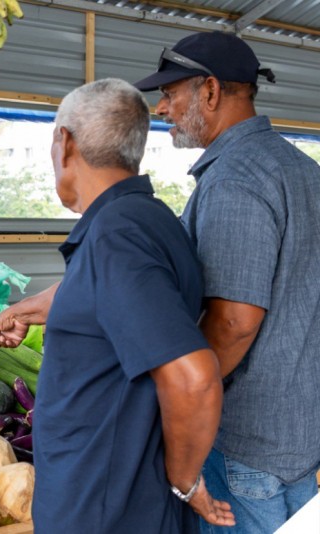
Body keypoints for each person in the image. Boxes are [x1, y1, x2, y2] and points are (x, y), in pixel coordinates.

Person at [0, 79, 234, 532]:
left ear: (65, 143)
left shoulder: (118, 237)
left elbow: (193, 378)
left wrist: (185, 480)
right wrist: (35, 307)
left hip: (104, 508)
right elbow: (120, 300)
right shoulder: (147, 218)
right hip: (112, 498)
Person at [134, 31, 320, 533]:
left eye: (171, 93)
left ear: (211, 91)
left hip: (243, 448)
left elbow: (234, 323)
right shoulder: (304, 170)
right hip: (299, 440)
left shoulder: (237, 178)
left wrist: (184, 405)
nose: (163, 108)